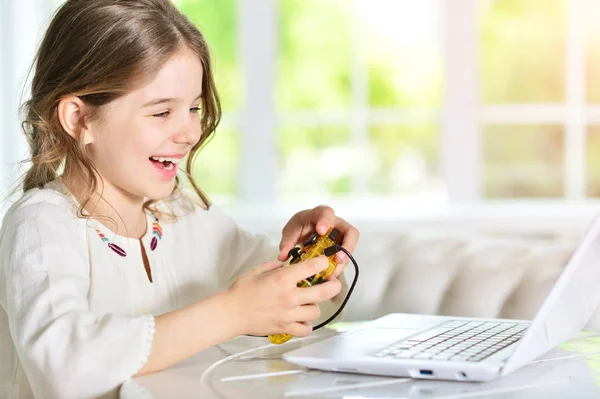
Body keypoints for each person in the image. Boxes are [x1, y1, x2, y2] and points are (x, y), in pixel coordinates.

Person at [0, 0, 359, 397]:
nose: (189, 132)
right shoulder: (41, 224)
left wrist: (317, 258)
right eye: (161, 113)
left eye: (193, 108)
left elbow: (305, 307)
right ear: (78, 119)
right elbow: (64, 364)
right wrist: (234, 312)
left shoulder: (185, 216)